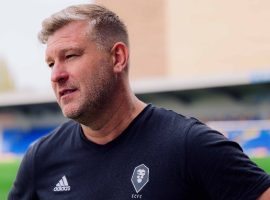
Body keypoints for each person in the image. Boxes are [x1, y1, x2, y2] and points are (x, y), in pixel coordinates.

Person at [8, 4, 270, 200]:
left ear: (117, 58)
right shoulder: (41, 158)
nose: (56, 75)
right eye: (51, 64)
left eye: (71, 55)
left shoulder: (189, 145)